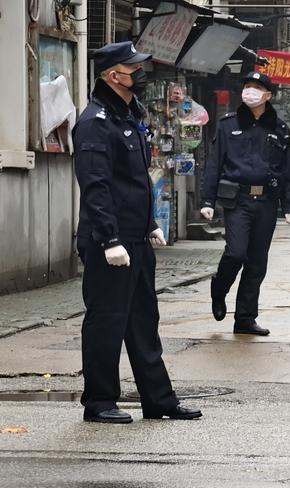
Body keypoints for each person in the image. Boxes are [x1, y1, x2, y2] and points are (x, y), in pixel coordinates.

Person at [74, 41, 201, 424]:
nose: (140, 74)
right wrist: (109, 239)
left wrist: (149, 225)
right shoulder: (94, 122)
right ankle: (99, 402)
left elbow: (134, 182)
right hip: (109, 241)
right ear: (114, 75)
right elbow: (96, 186)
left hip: (135, 238)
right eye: (134, 69)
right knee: (107, 321)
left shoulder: (127, 117)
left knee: (143, 321)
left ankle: (159, 400)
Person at [200, 72, 290, 336]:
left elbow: (287, 168)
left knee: (256, 262)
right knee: (236, 252)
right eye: (247, 86)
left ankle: (245, 318)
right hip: (237, 200)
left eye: (256, 87)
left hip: (266, 201)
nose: (250, 91)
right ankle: (219, 289)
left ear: (268, 95)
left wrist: (289, 204)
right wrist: (207, 199)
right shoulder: (228, 124)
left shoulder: (280, 129)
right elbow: (214, 163)